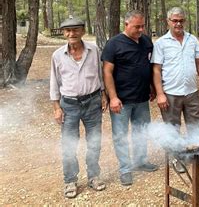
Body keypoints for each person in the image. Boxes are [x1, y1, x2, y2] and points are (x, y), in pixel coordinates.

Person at [151, 7, 199, 172]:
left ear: (185, 21)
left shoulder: (192, 40)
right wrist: (160, 93)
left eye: (181, 20)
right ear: (168, 22)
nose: (178, 24)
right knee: (172, 127)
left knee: (196, 125)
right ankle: (177, 158)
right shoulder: (161, 43)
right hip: (170, 93)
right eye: (174, 20)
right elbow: (156, 70)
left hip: (191, 92)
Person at [50, 17, 108, 199]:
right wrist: (56, 107)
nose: (71, 34)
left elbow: (100, 75)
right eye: (67, 31)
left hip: (92, 102)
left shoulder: (94, 50)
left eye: (75, 30)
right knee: (69, 144)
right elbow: (54, 82)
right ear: (63, 33)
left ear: (83, 31)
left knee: (94, 141)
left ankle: (94, 176)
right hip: (69, 105)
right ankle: (70, 180)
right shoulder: (57, 55)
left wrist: (104, 95)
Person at [102, 10, 158, 186]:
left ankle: (141, 160)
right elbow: (107, 72)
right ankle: (125, 169)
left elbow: (148, 66)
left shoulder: (146, 41)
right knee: (120, 135)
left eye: (142, 26)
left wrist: (152, 87)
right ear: (126, 25)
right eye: (137, 26)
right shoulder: (113, 44)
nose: (141, 29)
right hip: (121, 100)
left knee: (141, 130)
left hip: (141, 98)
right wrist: (112, 97)